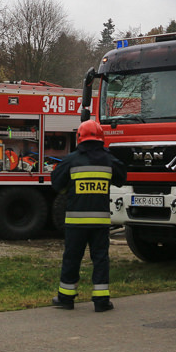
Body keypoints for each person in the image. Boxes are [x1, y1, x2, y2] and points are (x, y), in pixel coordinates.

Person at [50, 120, 127, 312]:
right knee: (100, 259)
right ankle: (101, 302)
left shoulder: (71, 160)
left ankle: (66, 299)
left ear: (79, 138)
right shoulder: (109, 160)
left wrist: (70, 188)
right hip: (100, 222)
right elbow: (122, 177)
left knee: (72, 259)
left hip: (75, 222)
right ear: (101, 138)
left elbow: (56, 184)